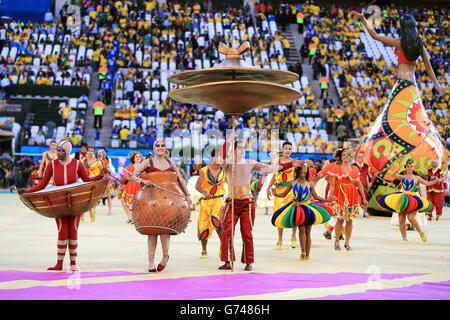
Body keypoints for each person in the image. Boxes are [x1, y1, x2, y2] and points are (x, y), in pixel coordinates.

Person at [218, 132, 303, 271]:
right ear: (233, 150)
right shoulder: (228, 164)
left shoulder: (251, 163)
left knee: (247, 232)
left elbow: (271, 169)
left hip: (247, 203)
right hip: (232, 203)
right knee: (227, 231)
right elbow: (219, 157)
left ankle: (248, 261)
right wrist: (227, 141)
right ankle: (227, 261)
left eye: (243, 148)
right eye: (239, 148)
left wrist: (288, 165)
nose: (242, 150)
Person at [17, 141, 106, 271]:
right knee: (62, 232)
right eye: (58, 150)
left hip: (76, 204)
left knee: (73, 232)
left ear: (68, 151)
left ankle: (73, 263)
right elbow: (42, 184)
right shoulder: (52, 165)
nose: (58, 153)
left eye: (61, 150)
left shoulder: (77, 164)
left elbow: (87, 180)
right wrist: (27, 191)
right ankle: (59, 263)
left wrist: (100, 175)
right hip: (59, 204)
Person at [131, 139, 191, 272]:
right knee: (152, 232)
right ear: (153, 148)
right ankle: (151, 262)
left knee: (165, 230)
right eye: (157, 145)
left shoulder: (170, 162)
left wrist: (187, 194)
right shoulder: (147, 162)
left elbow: (180, 179)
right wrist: (143, 181)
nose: (160, 147)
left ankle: (165, 257)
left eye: (162, 145)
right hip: (150, 200)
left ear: (166, 148)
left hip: (169, 201)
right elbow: (133, 176)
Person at [273, 163, 335, 261]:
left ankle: (307, 255)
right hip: (298, 209)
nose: (303, 171)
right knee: (301, 230)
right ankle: (303, 252)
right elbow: (284, 194)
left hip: (308, 208)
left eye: (305, 169)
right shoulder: (292, 183)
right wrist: (275, 194)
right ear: (297, 171)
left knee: (308, 232)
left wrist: (328, 200)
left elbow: (316, 197)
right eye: (301, 169)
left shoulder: (310, 183)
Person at [381, 159, 443, 241]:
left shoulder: (417, 178)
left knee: (411, 218)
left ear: (413, 168)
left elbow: (427, 183)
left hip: (413, 200)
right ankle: (404, 238)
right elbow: (393, 175)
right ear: (406, 168)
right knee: (401, 219)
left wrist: (437, 180)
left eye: (411, 167)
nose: (409, 168)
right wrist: (398, 168)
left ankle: (421, 233)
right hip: (403, 198)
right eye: (408, 167)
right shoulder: (402, 177)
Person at [327, 149, 368, 251]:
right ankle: (337, 241)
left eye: (348, 155)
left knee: (350, 220)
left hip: (352, 195)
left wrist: (364, 198)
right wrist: (329, 195)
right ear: (341, 157)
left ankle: (347, 243)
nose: (346, 156)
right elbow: (332, 185)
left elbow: (359, 185)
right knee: (340, 219)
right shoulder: (336, 168)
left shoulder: (355, 169)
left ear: (350, 157)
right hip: (340, 194)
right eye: (344, 155)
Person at [267, 142, 298, 250]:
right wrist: (268, 187)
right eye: (286, 148)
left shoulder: (294, 162)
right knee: (279, 214)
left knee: (293, 214)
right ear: (282, 149)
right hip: (279, 191)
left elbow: (297, 177)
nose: (288, 150)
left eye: (290, 148)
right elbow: (274, 176)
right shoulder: (276, 161)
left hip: (291, 192)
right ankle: (280, 240)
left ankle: (293, 237)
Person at [195, 149, 225, 258]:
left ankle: (223, 246)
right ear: (212, 157)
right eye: (217, 157)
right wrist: (205, 192)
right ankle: (204, 250)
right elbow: (197, 186)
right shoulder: (204, 170)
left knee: (216, 221)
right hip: (206, 202)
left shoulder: (224, 171)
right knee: (203, 225)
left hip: (219, 200)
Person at [118, 151, 143, 223]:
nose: (138, 158)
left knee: (138, 204)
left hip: (139, 185)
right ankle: (130, 217)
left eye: (139, 157)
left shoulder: (143, 166)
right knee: (125, 203)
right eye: (136, 157)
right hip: (131, 185)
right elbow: (128, 178)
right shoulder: (130, 167)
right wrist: (131, 176)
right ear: (133, 159)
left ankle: (136, 217)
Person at [81, 146, 103, 222]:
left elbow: (102, 172)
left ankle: (91, 210)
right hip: (85, 181)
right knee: (83, 199)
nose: (90, 152)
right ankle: (82, 216)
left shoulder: (98, 162)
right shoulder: (83, 161)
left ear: (94, 152)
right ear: (86, 152)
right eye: (89, 151)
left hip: (95, 182)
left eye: (92, 151)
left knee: (92, 199)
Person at [97, 148, 115, 216]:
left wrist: (109, 170)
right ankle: (93, 210)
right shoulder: (96, 160)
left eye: (103, 152)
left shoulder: (107, 159)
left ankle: (110, 211)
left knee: (109, 196)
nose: (102, 153)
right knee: (96, 196)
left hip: (106, 179)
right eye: (100, 152)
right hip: (99, 178)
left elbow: (109, 167)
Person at [354, 152, 371, 217]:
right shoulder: (353, 165)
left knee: (365, 199)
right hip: (355, 185)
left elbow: (370, 176)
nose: (360, 159)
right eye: (359, 157)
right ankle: (355, 212)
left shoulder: (366, 166)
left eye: (362, 157)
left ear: (363, 158)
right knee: (355, 199)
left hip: (364, 185)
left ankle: (365, 213)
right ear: (357, 158)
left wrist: (370, 182)